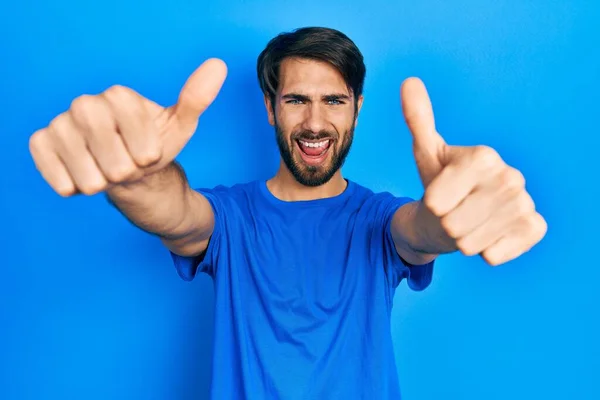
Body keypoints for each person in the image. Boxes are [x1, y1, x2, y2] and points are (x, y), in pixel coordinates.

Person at [28, 26, 547, 399]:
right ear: (270, 107)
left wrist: (456, 211)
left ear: (357, 108)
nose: (315, 123)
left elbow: (422, 231)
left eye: (334, 101)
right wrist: (134, 176)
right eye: (296, 100)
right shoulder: (231, 218)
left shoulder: (378, 220)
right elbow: (175, 213)